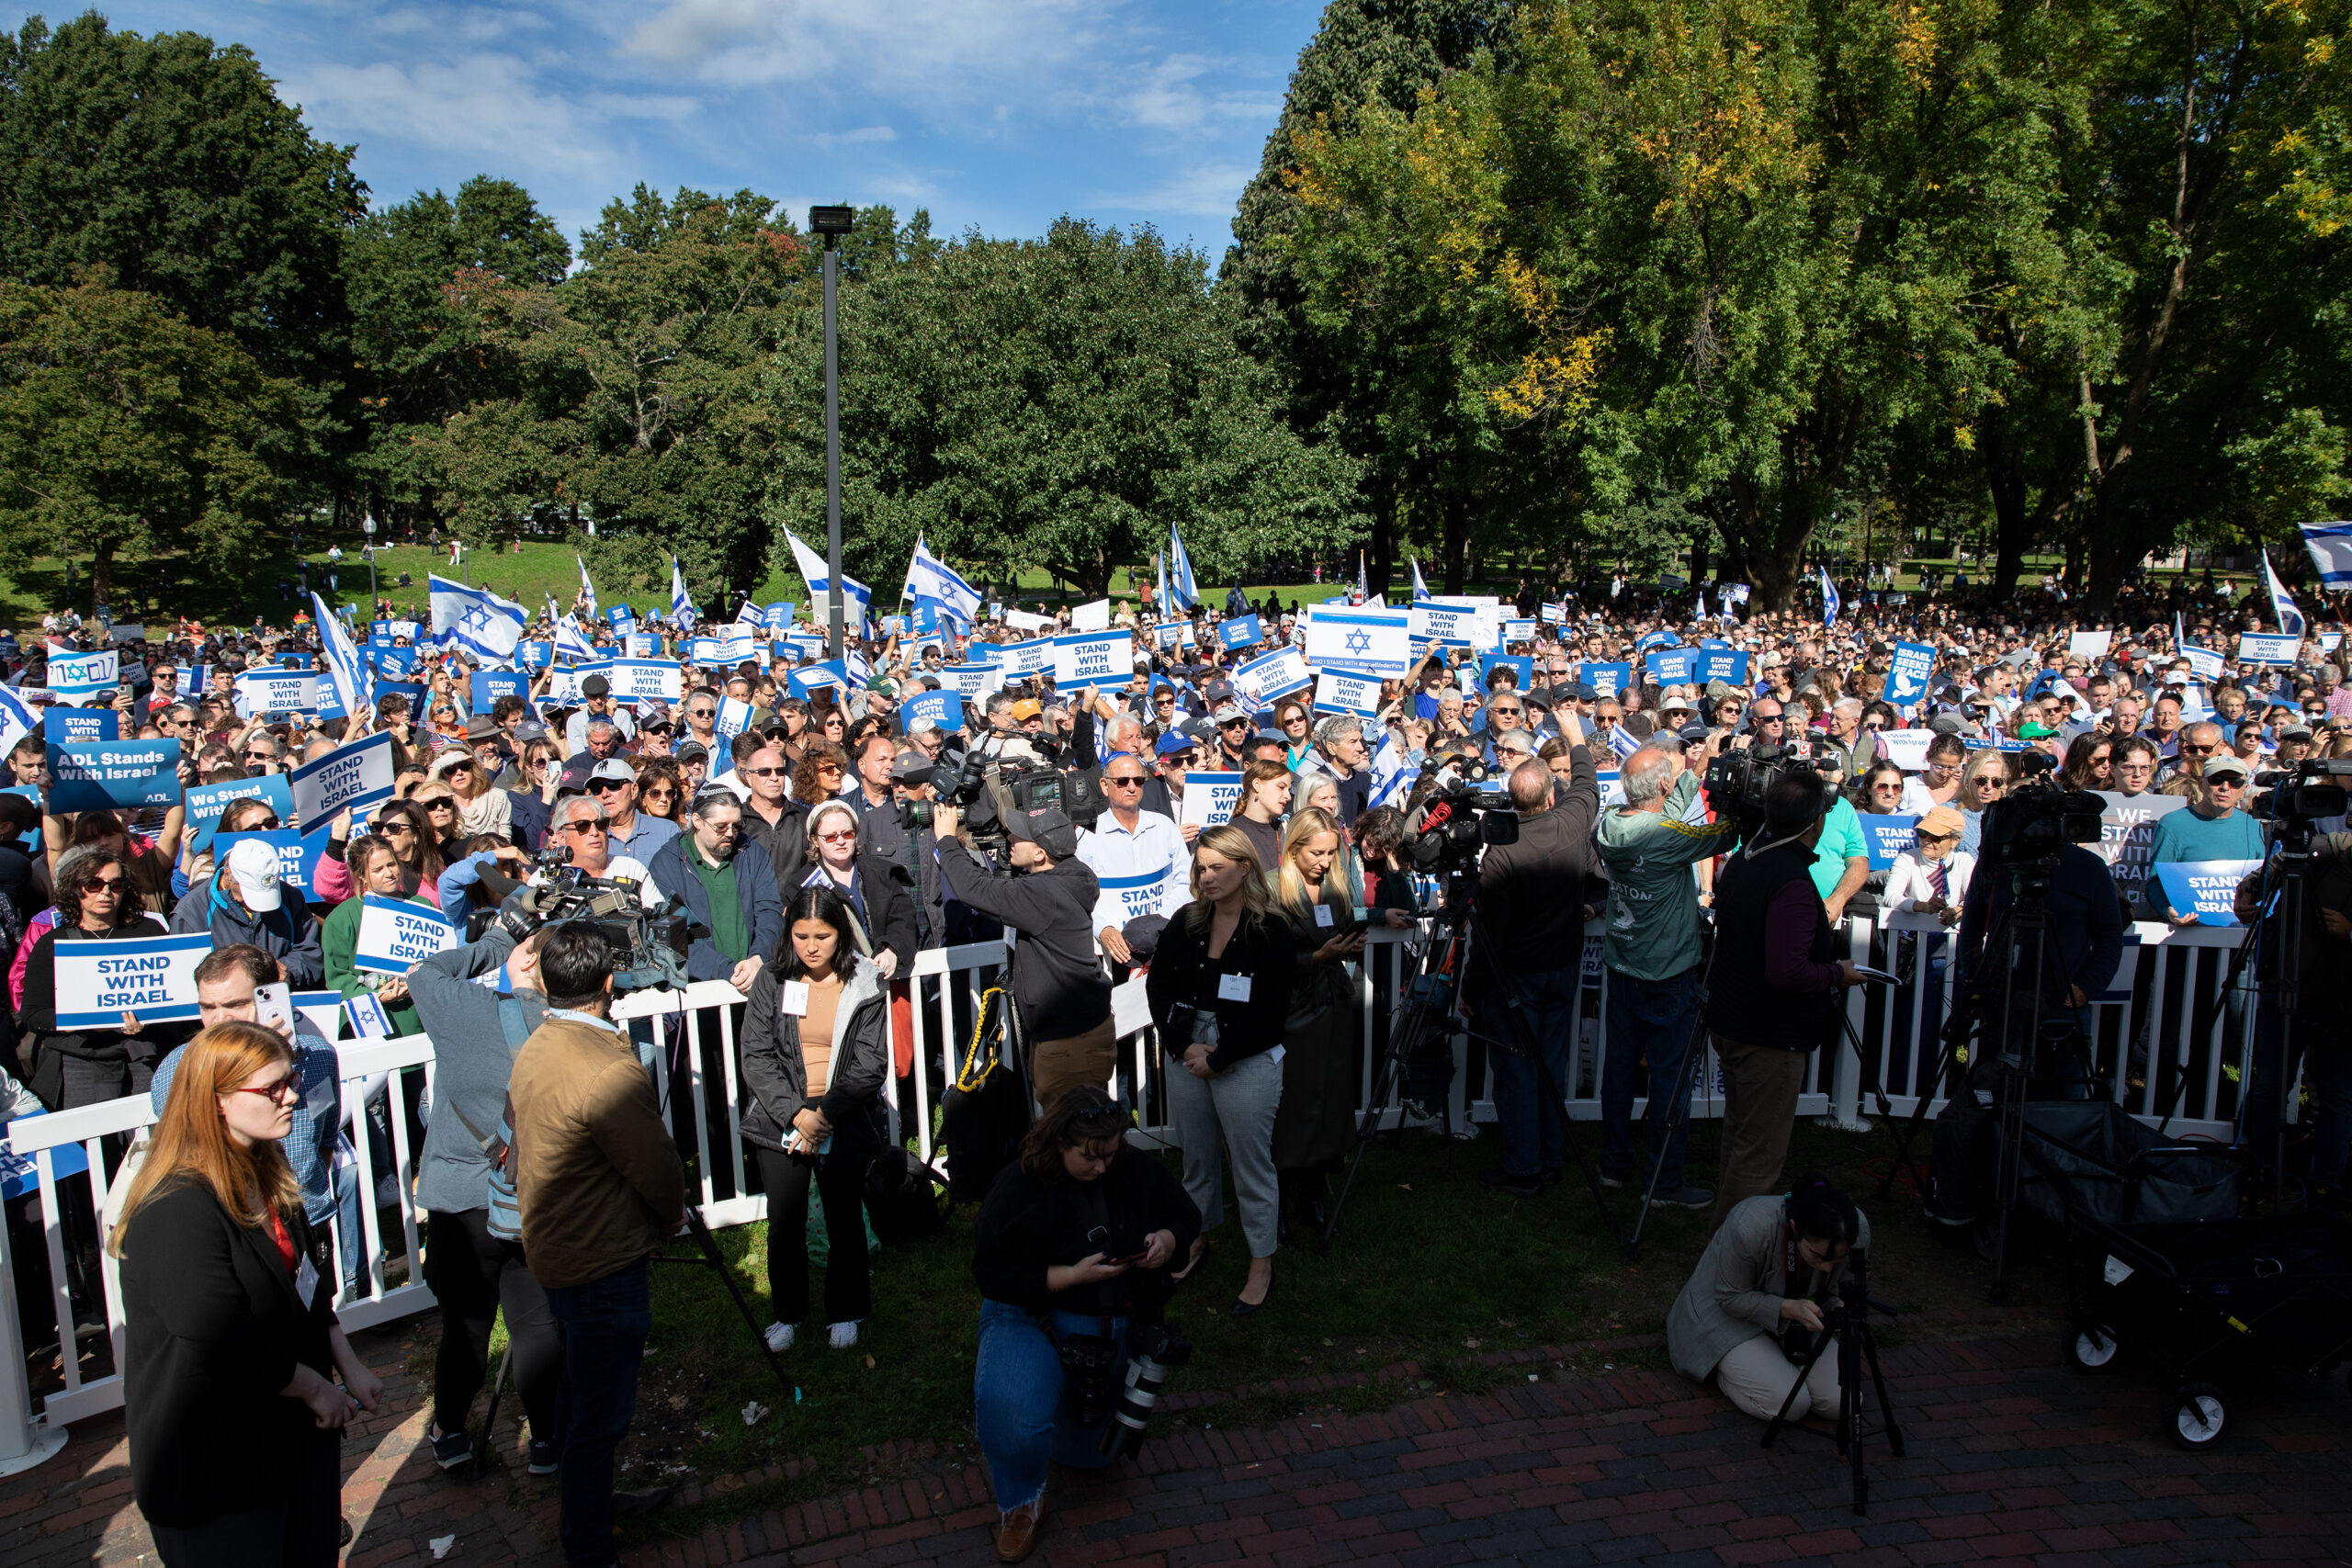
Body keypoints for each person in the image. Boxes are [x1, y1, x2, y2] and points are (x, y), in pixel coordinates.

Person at [115, 1022, 385, 1567]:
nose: (291, 1097)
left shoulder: (267, 1171)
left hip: (290, 1445)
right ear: (215, 1103)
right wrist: (314, 1388)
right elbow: (217, 1338)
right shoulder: (176, 1208)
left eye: (290, 1081)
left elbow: (307, 1285)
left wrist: (348, 1366)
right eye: (271, 1089)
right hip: (217, 1466)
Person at [507, 925, 687, 1566]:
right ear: (609, 983)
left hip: (556, 1250)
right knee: (600, 1412)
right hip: (601, 1258)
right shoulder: (607, 1066)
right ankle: (587, 1542)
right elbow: (655, 1166)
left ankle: (589, 1503)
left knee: (581, 1390)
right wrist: (671, 1214)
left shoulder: (537, 1043)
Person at [969, 1089, 1201, 1564]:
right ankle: (1021, 1502)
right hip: (1035, 1315)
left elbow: (1184, 1214)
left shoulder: (1130, 1169)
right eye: (1090, 1158)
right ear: (1058, 1143)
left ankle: (1058, 1417)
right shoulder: (1018, 1184)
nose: (1102, 1167)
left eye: (1111, 1154)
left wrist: (1166, 1240)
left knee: (1093, 1458)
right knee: (1014, 1415)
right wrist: (1069, 1276)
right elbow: (989, 1271)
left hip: (1111, 1323)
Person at [405, 914, 560, 1475]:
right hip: (531, 1196)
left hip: (463, 1197)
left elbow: (423, 973)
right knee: (536, 1323)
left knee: (466, 1326)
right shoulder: (567, 1026)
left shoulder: (466, 1014)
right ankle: (546, 1439)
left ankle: (449, 1431)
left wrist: (498, 939)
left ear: (522, 961)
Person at [1704, 770, 1871, 1227]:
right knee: (1758, 1156)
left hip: (1737, 1021)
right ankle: (1734, 1255)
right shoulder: (1792, 880)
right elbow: (1788, 970)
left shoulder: (1748, 859)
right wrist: (1839, 972)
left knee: (1741, 1140)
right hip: (1767, 1035)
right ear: (1816, 821)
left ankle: (1726, 1238)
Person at [1143, 826, 1292, 1303]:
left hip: (1246, 1058)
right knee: (1197, 1160)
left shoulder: (1272, 930)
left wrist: (1223, 1057)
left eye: (1217, 867)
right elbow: (1158, 989)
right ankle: (1196, 1237)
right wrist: (1183, 1044)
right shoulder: (1185, 922)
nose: (1206, 876)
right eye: (1200, 867)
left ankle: (1260, 1262)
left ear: (1244, 866)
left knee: (1252, 1167)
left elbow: (1271, 1013)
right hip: (1188, 1053)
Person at [737, 886, 888, 1352]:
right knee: (785, 1221)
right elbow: (756, 1055)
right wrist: (795, 1114)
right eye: (801, 935)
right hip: (780, 1116)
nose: (811, 945)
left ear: (840, 933)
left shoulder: (865, 981)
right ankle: (788, 1313)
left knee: (844, 1219)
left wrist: (822, 1114)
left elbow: (870, 1064)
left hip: (840, 1114)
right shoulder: (772, 980)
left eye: (821, 935)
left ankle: (847, 1310)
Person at [1594, 745, 1743, 1211]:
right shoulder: (1665, 835)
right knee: (1669, 1080)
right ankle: (1663, 1179)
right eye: (1670, 776)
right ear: (1661, 785)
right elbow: (1723, 834)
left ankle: (1613, 1165)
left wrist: (1691, 774)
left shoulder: (1610, 823)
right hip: (1666, 973)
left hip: (1622, 968)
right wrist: (1738, 804)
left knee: (1618, 1073)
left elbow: (1669, 819)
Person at [1473, 732, 1600, 1197]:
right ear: (1551, 795)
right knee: (1547, 1064)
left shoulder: (1503, 852)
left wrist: (1472, 988)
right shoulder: (1570, 823)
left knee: (1519, 1072)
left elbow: (1489, 931)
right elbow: (1587, 784)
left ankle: (1527, 1165)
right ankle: (1546, 1155)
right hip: (1558, 970)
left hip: (1517, 978)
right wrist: (1576, 736)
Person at [933, 804, 1114, 1110]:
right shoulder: (1072, 874)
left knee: (1073, 1141)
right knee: (1082, 1134)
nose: (1010, 837)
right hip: (1081, 1031)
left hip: (1068, 1042)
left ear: (1041, 854)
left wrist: (946, 840)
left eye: (1020, 835)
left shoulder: (1044, 894)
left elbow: (974, 889)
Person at [1667, 1173, 1869, 1422]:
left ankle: (1774, 1366)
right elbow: (1730, 1298)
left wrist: (1838, 1304)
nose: (1827, 1268)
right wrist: (1787, 1308)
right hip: (1726, 1315)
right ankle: (1725, 1373)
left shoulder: (1856, 1232)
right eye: (1818, 1256)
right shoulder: (1750, 1225)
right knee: (1791, 1405)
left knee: (1845, 1403)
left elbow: (1835, 1289)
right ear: (1796, 1228)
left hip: (1799, 1316)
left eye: (1836, 1259)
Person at [1267, 806, 1363, 1259]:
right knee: (1293, 1107)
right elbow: (1264, 961)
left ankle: (1315, 1194)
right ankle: (1282, 1202)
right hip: (1293, 1012)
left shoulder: (1336, 885)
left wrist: (1357, 937)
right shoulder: (1269, 889)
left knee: (1330, 1101)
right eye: (1316, 853)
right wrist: (1316, 959)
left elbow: (1346, 924)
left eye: (1330, 853)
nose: (1325, 862)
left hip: (1334, 1009)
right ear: (1294, 847)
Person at [21, 846, 185, 1110]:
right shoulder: (52, 943)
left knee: (148, 1140)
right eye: (94, 884)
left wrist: (147, 1020)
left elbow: (174, 997)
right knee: (94, 1144)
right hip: (80, 1060)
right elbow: (32, 1014)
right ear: (76, 888)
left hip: (141, 1054)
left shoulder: (148, 931)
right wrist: (75, 1020)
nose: (106, 892)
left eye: (116, 884)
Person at [2233, 836, 2352, 1198]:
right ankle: (2262, 1170)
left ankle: (2326, 1185)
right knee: (2270, 1085)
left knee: (2338, 1097)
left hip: (2342, 997)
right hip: (2285, 985)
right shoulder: (2329, 845)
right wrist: (2246, 891)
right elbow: (2274, 866)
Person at [646, 788, 785, 990]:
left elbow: (769, 910)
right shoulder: (667, 864)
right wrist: (726, 970)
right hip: (697, 990)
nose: (730, 833)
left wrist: (758, 957)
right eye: (720, 826)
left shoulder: (751, 852)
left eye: (736, 826)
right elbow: (671, 937)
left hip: (755, 978)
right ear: (697, 820)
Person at [1074, 750, 1189, 968]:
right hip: (1114, 955)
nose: (1131, 787)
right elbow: (1078, 899)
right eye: (1122, 781)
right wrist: (1103, 929)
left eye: (1138, 780)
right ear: (1104, 785)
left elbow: (1185, 882)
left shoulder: (1165, 827)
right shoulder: (1087, 838)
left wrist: (1158, 922)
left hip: (1165, 942)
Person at [172, 836, 324, 988]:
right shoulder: (191, 913)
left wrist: (288, 971)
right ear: (228, 874)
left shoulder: (291, 898)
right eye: (249, 891)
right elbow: (184, 978)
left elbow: (309, 950)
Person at [797, 798, 917, 978]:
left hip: (887, 981)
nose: (840, 841)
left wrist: (892, 951)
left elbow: (904, 919)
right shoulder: (801, 885)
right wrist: (850, 961)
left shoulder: (882, 872)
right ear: (814, 840)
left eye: (847, 834)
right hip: (836, 984)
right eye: (830, 837)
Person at [2146, 755, 2264, 923]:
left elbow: (2261, 880)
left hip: (2239, 934)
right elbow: (2155, 883)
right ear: (2202, 783)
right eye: (2216, 779)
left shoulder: (2253, 826)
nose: (2224, 787)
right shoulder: (2172, 824)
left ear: (2244, 789)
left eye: (2235, 782)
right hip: (2188, 933)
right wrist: (2168, 911)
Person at [1228, 758, 1291, 874]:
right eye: (1281, 787)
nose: (1288, 796)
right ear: (1257, 785)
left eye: (1289, 789)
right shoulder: (1233, 834)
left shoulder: (1284, 829)